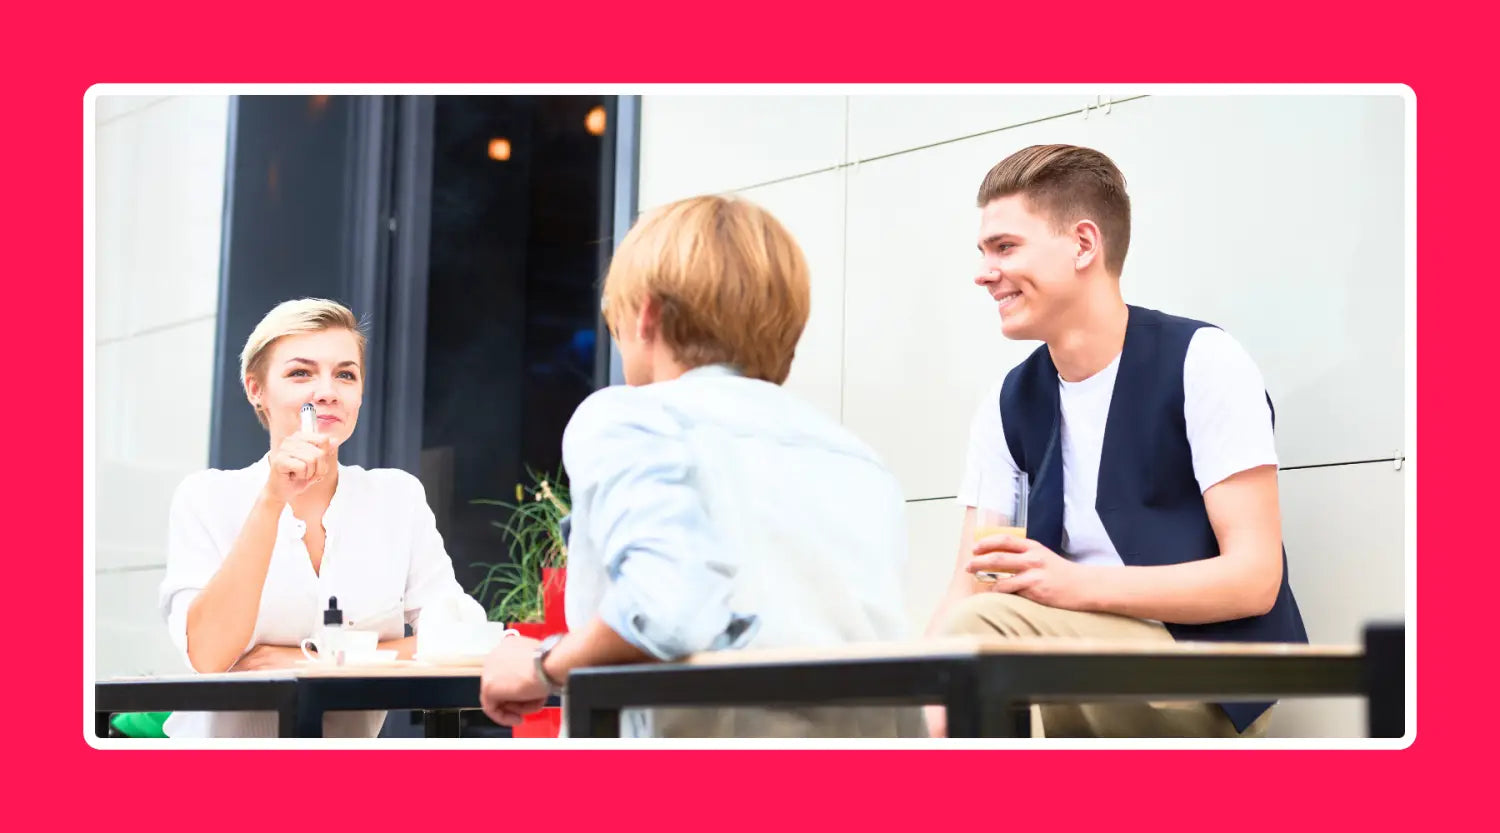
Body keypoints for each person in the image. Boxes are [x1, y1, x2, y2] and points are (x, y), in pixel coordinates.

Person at [479, 195, 922, 738]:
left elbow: (663, 608)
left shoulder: (632, 418)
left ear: (646, 316)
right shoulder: (860, 461)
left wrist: (538, 667)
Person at [924, 145, 1308, 738]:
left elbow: (1254, 578)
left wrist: (1074, 586)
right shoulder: (1006, 407)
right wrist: (914, 702)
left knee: (985, 633)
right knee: (964, 642)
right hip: (1074, 667)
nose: (983, 271)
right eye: (983, 251)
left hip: (1202, 674)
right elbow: (973, 584)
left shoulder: (1202, 362)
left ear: (1083, 244)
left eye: (1005, 247)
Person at [158, 298, 484, 738]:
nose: (327, 391)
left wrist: (305, 660)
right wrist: (272, 500)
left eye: (345, 374)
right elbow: (209, 655)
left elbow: (461, 637)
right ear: (257, 389)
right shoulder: (207, 497)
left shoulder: (396, 497)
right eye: (301, 373)